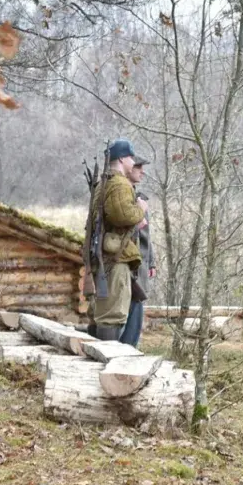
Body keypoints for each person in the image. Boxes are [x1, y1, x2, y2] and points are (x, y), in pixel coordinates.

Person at [90, 139, 148, 341]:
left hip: (109, 256)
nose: (133, 161)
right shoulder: (119, 184)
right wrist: (140, 208)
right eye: (131, 157)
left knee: (114, 311)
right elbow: (123, 216)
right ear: (123, 158)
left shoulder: (106, 182)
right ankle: (111, 361)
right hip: (116, 258)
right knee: (112, 315)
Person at [120, 156, 157, 348]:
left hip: (140, 265)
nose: (142, 171)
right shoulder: (124, 197)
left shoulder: (138, 197)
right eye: (138, 167)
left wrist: (151, 261)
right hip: (128, 265)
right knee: (125, 319)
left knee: (136, 314)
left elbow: (146, 234)